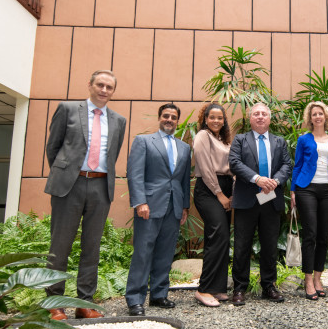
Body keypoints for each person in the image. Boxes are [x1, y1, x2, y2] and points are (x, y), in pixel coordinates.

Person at [44, 70, 127, 320]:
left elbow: (113, 154)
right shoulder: (68, 109)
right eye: (100, 85)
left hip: (101, 187)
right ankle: (55, 303)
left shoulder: (119, 121)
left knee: (91, 246)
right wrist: (66, 173)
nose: (104, 90)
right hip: (70, 185)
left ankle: (84, 303)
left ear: (113, 91)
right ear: (89, 85)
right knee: (60, 245)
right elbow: (53, 147)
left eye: (109, 87)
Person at [124, 103, 191, 315]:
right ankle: (135, 299)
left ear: (177, 120)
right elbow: (135, 173)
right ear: (159, 118)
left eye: (173, 117)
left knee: (165, 252)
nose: (169, 119)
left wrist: (185, 207)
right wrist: (139, 202)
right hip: (149, 206)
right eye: (166, 116)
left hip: (174, 207)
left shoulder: (185, 148)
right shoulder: (144, 141)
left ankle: (159, 295)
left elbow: (184, 180)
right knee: (143, 252)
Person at [229, 103, 293, 305]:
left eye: (264, 114)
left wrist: (275, 181)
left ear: (270, 119)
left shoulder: (279, 141)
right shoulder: (240, 140)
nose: (260, 117)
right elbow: (234, 163)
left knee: (270, 246)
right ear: (250, 118)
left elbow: (286, 164)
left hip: (270, 199)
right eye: (256, 114)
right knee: (241, 246)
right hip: (247, 200)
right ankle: (239, 288)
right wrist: (257, 179)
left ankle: (268, 286)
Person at [290, 102, 328, 300]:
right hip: (307, 189)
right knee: (310, 234)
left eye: (321, 113)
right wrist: (293, 190)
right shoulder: (304, 140)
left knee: (323, 235)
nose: (318, 117)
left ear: (326, 117)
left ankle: (319, 278)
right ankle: (308, 279)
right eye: (314, 114)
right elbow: (297, 165)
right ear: (310, 118)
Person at [192, 103, 233, 307]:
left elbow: (230, 167)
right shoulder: (202, 136)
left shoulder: (223, 140)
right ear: (205, 119)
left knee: (220, 238)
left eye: (220, 118)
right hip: (209, 190)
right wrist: (219, 194)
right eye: (212, 117)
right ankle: (204, 289)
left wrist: (231, 190)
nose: (216, 121)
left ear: (224, 121)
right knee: (219, 234)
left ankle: (217, 287)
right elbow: (206, 167)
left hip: (225, 189)